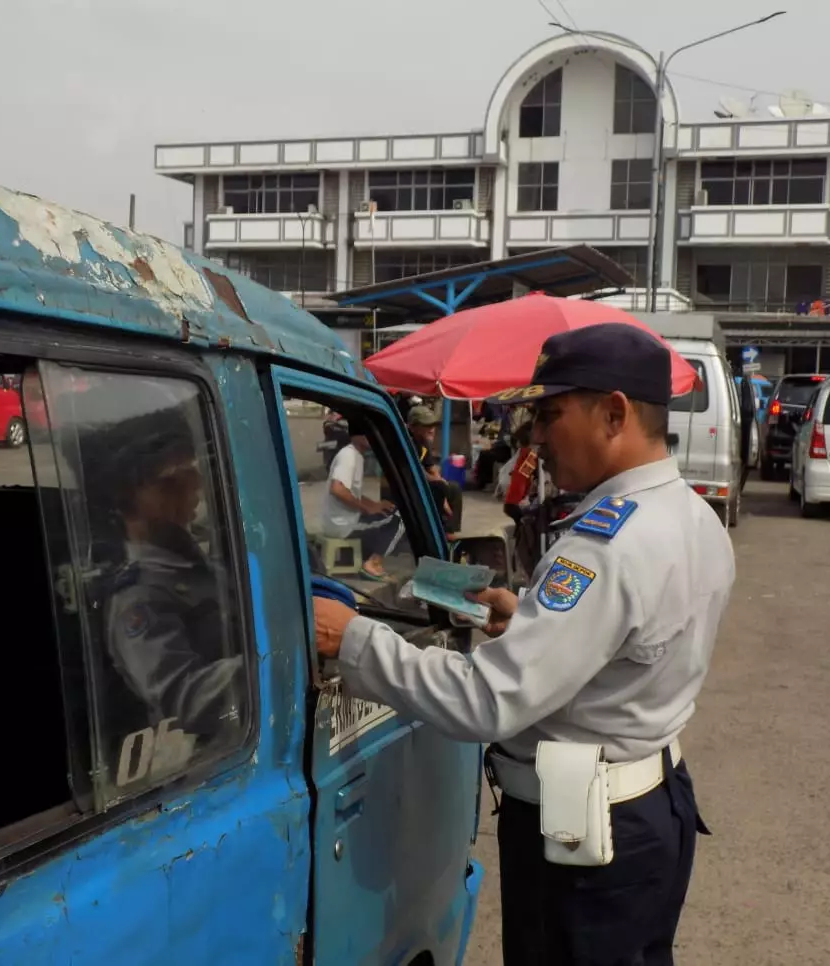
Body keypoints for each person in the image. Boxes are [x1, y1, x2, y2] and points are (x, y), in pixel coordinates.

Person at [313, 324, 735, 966]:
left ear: (614, 412)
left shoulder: (606, 547)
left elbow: (487, 702)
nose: (536, 435)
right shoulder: (691, 515)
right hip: (648, 811)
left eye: (550, 413)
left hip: (587, 845)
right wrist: (534, 620)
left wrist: (354, 640)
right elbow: (635, 647)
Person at [103, 422, 244, 744]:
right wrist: (277, 661)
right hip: (207, 761)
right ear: (128, 499)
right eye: (171, 482)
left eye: (192, 475)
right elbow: (185, 699)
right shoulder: (138, 597)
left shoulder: (198, 561)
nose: (193, 487)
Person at [322, 419, 403, 580]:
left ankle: (363, 558)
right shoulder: (349, 456)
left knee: (388, 512)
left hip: (343, 520)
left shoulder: (354, 455)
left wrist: (374, 505)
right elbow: (337, 489)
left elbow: (352, 493)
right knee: (399, 519)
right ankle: (372, 564)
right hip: (343, 524)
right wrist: (367, 508)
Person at [404, 405, 463, 535]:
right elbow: (417, 470)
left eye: (432, 424)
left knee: (453, 488)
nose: (431, 428)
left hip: (420, 481)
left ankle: (450, 530)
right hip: (407, 484)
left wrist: (442, 484)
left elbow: (430, 467)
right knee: (439, 487)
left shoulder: (424, 441)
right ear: (413, 427)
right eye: (426, 425)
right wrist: (439, 484)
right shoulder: (407, 441)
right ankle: (435, 529)